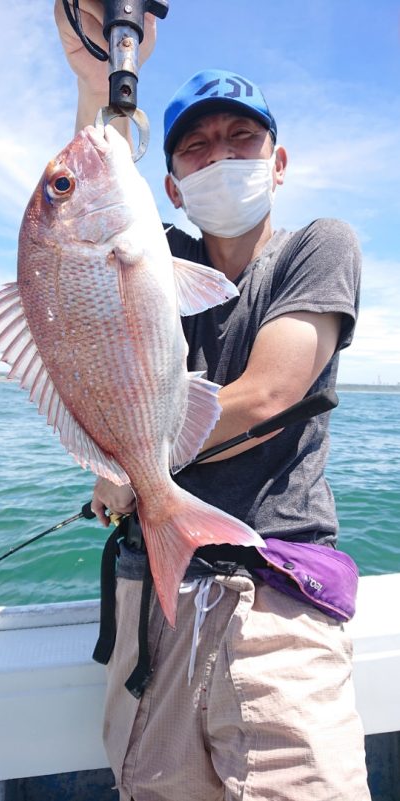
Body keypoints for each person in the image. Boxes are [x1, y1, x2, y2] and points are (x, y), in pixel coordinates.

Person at [55, 4, 371, 800]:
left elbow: (271, 391)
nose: (219, 155)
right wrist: (99, 80)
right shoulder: (156, 258)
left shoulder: (317, 246)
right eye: (195, 146)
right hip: (152, 604)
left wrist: (137, 466)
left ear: (279, 158)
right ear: (169, 183)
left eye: (242, 139)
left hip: (273, 593)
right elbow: (88, 192)